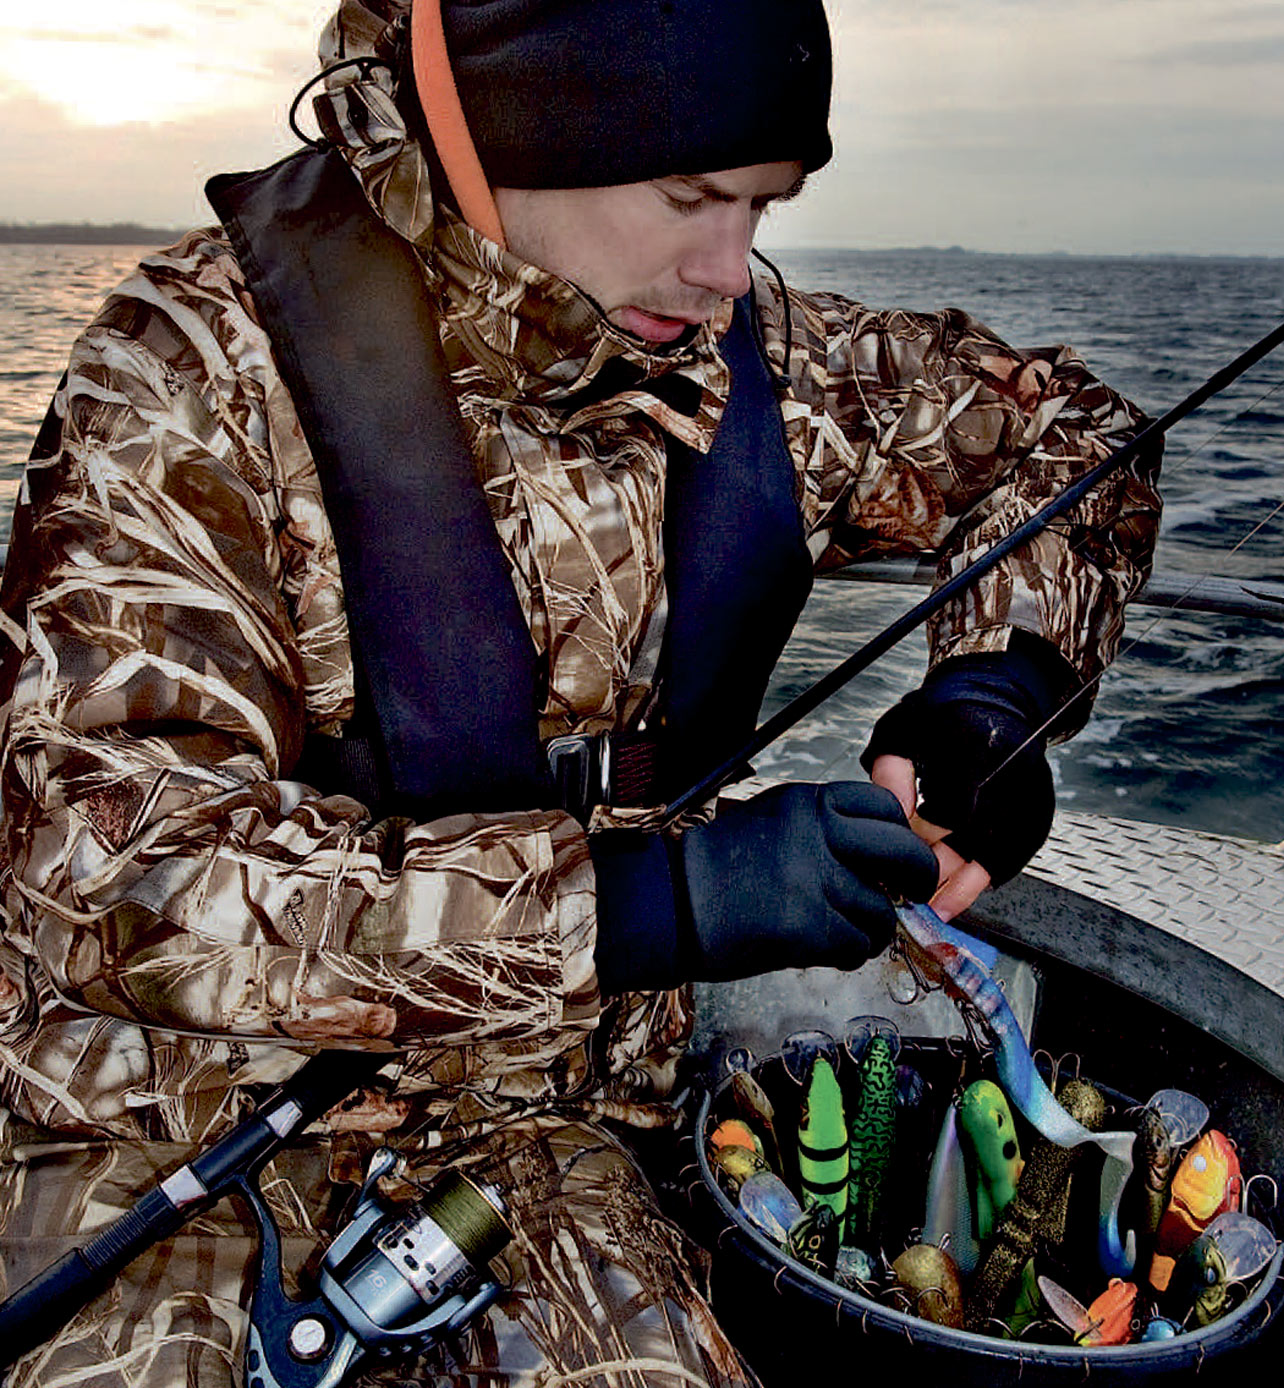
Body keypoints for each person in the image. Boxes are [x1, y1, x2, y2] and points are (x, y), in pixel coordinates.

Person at [0, 1, 1161, 1384]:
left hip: (547, 1141)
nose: (730, 266)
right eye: (690, 197)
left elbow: (1065, 436)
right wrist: (650, 904)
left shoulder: (766, 371)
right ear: (514, 135)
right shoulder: (185, 371)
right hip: (160, 1135)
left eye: (764, 205)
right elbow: (104, 870)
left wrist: (989, 705)